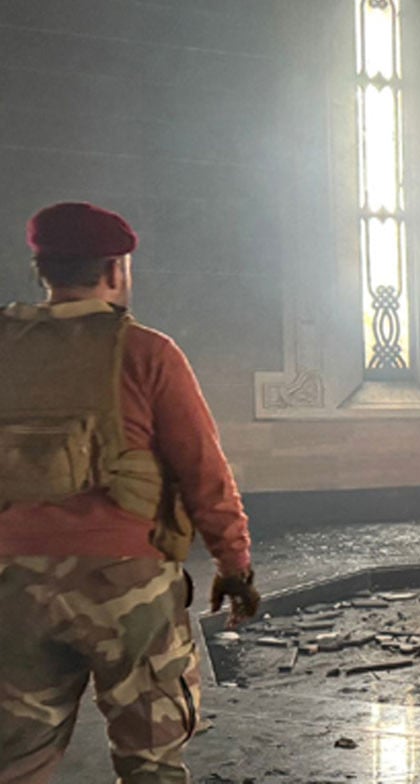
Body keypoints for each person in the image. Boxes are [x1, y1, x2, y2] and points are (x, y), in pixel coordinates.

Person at [0, 202, 261, 783]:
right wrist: (235, 565)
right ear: (116, 269)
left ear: (42, 268)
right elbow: (203, 471)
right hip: (128, 586)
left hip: (13, 585)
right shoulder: (147, 352)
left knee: (14, 762)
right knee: (151, 763)